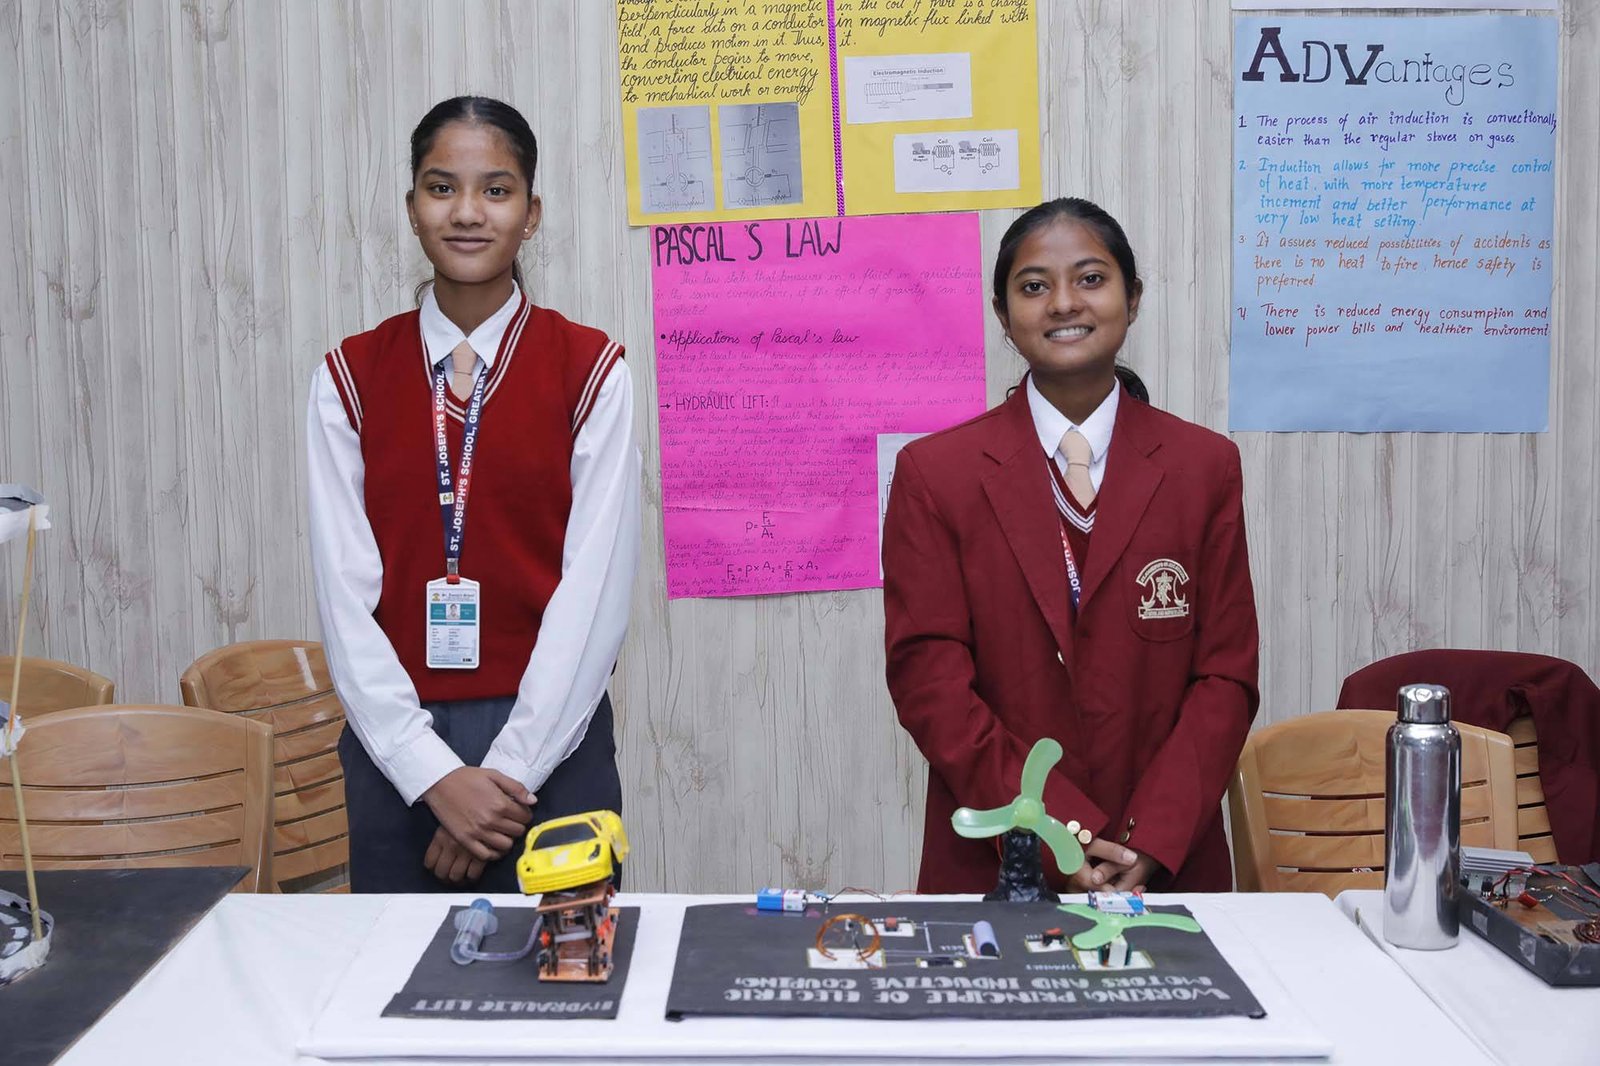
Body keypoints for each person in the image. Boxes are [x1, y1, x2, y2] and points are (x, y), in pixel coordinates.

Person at [306, 97, 640, 892]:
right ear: (411, 208)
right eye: (441, 187)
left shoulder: (592, 372)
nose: (466, 212)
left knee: (566, 966)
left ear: (532, 214)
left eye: (496, 190)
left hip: (553, 746)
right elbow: (343, 600)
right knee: (393, 970)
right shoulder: (349, 377)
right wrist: (432, 774)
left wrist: (507, 778)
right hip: (396, 748)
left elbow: (594, 595)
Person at [882, 197, 1258, 894]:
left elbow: (1226, 678)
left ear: (1132, 298)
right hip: (1003, 854)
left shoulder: (1204, 467)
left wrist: (1152, 835)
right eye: (1034, 286)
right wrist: (1055, 829)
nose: (1063, 303)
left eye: (1090, 278)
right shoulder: (936, 475)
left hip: (1166, 862)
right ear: (1002, 315)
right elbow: (929, 683)